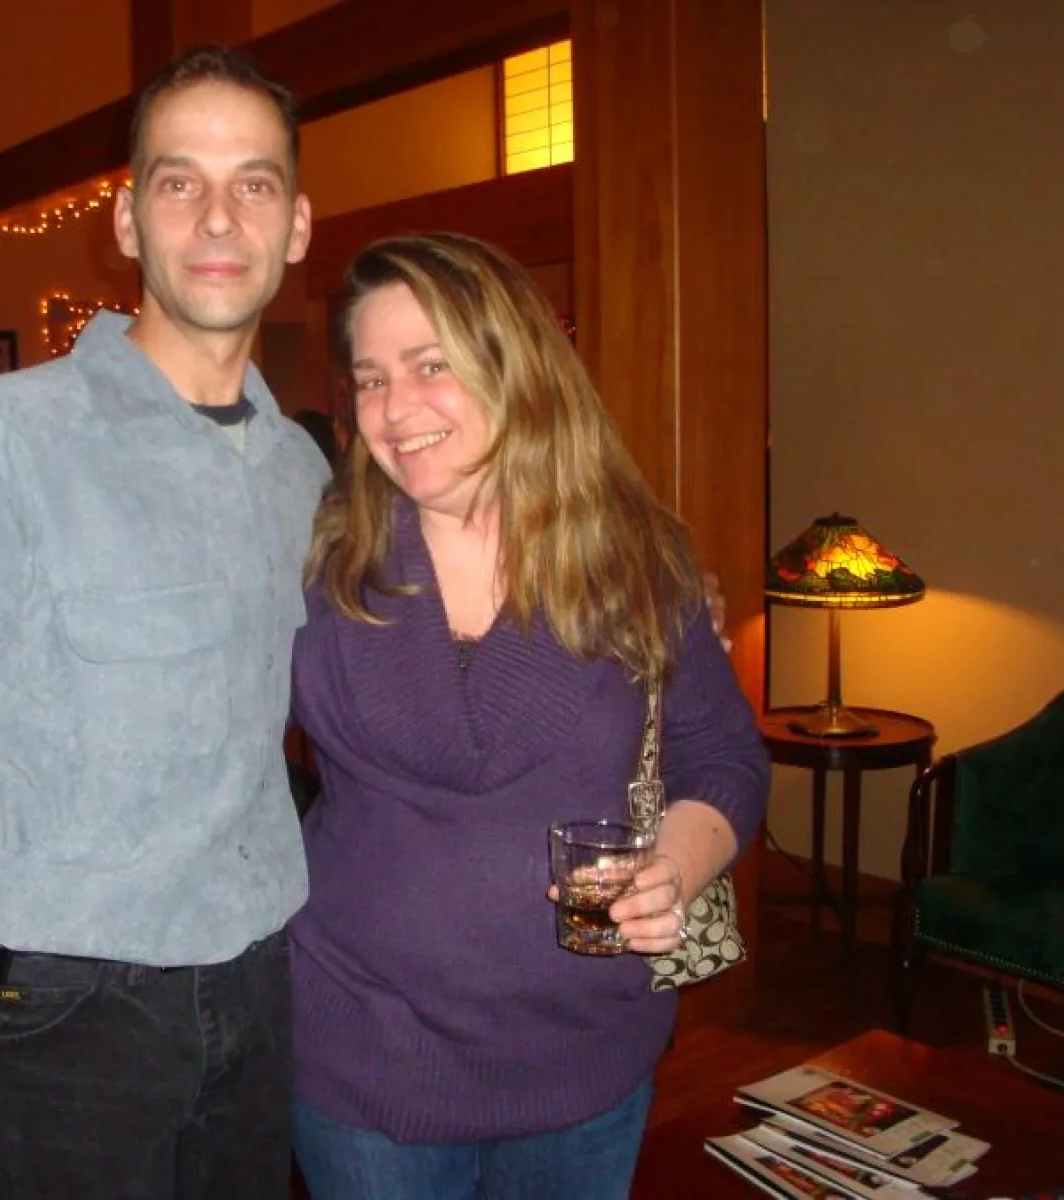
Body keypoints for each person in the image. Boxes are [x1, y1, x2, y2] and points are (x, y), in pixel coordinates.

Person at [0, 46, 323, 1200]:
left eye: (256, 181)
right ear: (130, 222)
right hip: (65, 1012)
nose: (218, 215)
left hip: (257, 979)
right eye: (179, 181)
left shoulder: (301, 474)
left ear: (296, 226)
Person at [286, 232, 771, 1199]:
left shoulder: (636, 560)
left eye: (432, 366)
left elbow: (721, 756)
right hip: (366, 1062)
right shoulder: (311, 557)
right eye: (372, 378)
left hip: (583, 1059)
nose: (396, 408)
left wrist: (674, 865)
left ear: (515, 366)